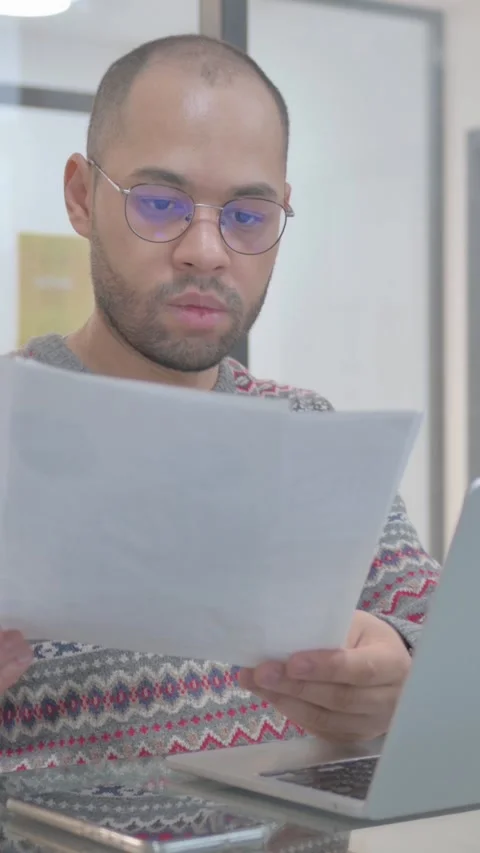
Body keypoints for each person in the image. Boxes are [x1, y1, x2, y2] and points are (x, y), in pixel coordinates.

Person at [0, 34, 440, 771]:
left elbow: (449, 645)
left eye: (247, 215)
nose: (206, 249)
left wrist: (403, 669)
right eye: (161, 203)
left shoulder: (309, 435)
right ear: (82, 196)